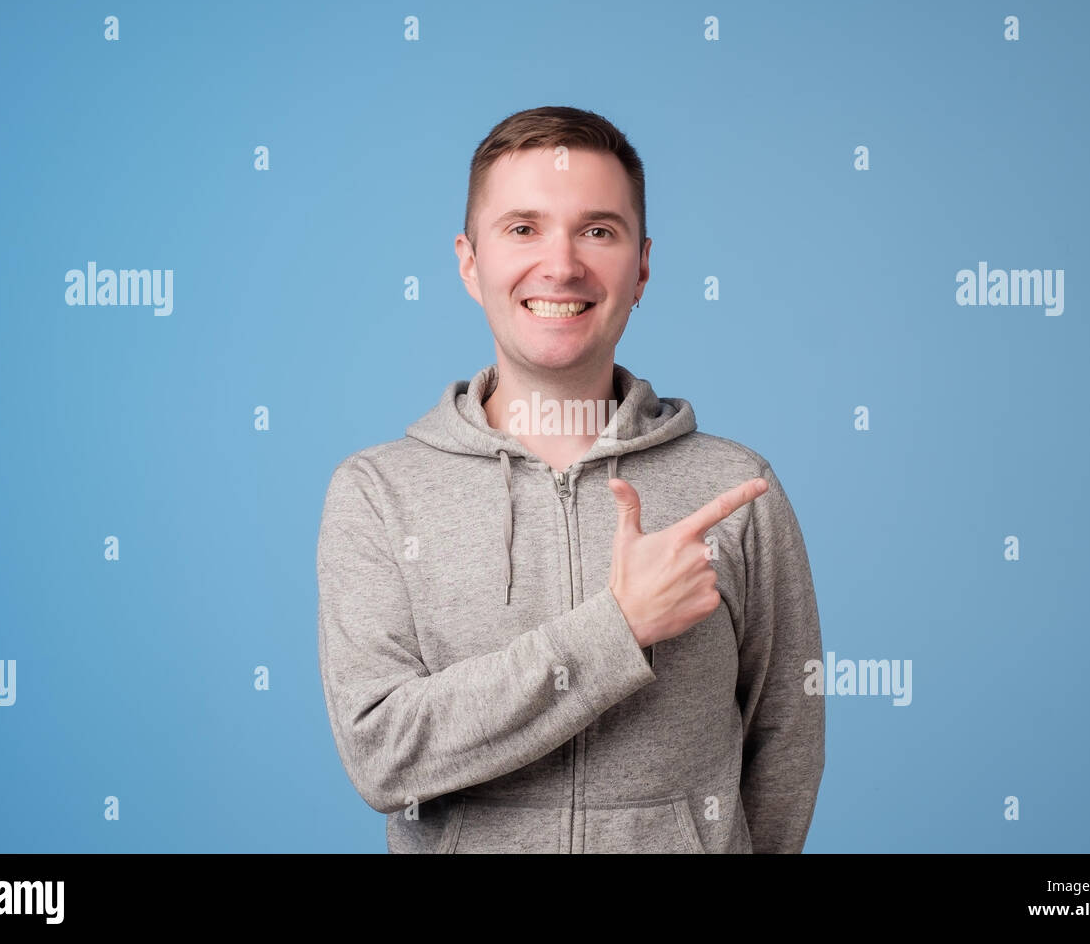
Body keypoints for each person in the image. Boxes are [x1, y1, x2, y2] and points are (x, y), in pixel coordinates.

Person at [317, 105, 824, 853]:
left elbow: (786, 743)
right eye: (523, 228)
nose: (561, 265)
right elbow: (382, 753)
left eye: (598, 230)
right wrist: (617, 629)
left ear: (642, 266)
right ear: (469, 262)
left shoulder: (736, 487)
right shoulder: (377, 493)